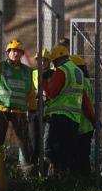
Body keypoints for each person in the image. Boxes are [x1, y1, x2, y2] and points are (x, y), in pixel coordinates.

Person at [40, 44, 96, 175]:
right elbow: (85, 101)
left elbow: (52, 93)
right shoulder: (78, 73)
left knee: (50, 149)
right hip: (74, 118)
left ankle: (55, 176)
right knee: (67, 151)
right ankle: (68, 179)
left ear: (56, 60)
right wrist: (93, 120)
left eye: (54, 62)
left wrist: (43, 81)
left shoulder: (62, 70)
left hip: (58, 116)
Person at [0, 40, 34, 163]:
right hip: (1, 109)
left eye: (18, 51)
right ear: (8, 53)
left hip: (19, 110)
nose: (15, 54)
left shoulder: (28, 71)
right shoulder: (0, 66)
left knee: (24, 141)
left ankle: (27, 167)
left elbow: (31, 91)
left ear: (22, 54)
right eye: (13, 51)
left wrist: (32, 108)